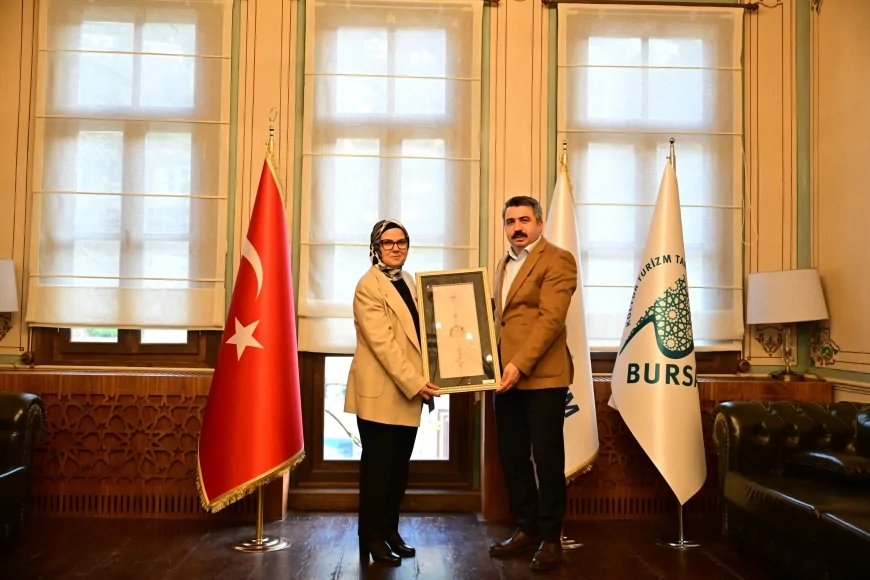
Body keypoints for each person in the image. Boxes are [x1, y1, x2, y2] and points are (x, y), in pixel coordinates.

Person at [488, 196, 578, 571]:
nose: (517, 227)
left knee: (547, 458)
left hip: (542, 377)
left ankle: (551, 538)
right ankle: (525, 527)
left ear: (540, 223)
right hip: (504, 378)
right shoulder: (503, 263)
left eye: (525, 220)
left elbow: (549, 321)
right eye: (510, 222)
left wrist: (519, 366)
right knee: (512, 456)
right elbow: (499, 320)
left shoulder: (558, 259)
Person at [344, 219, 440, 567]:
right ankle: (370, 537)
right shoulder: (368, 286)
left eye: (402, 242)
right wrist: (416, 382)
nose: (396, 248)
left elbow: (421, 335)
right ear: (375, 247)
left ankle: (389, 531)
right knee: (378, 472)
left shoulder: (410, 281)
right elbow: (383, 345)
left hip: (408, 393)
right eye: (388, 243)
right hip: (382, 394)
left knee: (399, 470)